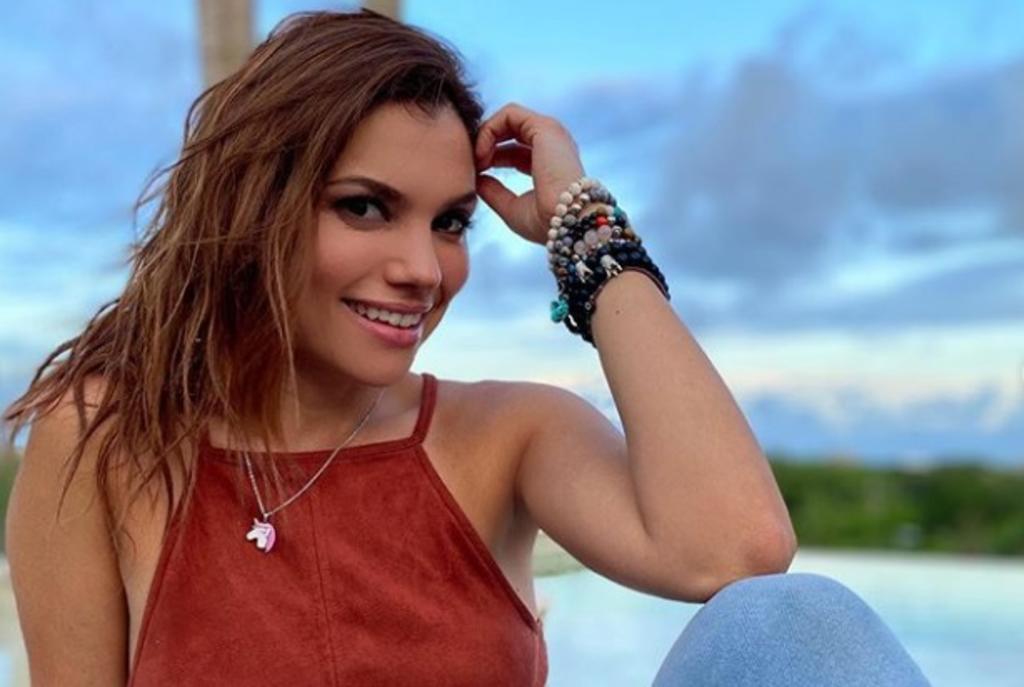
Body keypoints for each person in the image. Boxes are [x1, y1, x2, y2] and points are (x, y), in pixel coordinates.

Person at [1, 8, 931, 687]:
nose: (423, 269)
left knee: (796, 623)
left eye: (450, 222)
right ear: (256, 206)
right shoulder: (108, 440)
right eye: (365, 207)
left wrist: (586, 232)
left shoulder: (503, 436)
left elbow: (735, 549)